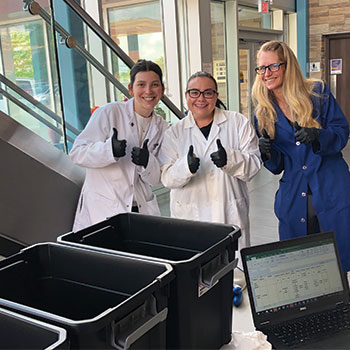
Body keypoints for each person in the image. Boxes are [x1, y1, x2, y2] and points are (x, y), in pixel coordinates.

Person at [252, 41, 350, 272]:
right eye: (262, 68)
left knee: (338, 258)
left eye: (273, 66)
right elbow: (276, 166)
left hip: (330, 186)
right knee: (299, 264)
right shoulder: (263, 113)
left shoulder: (318, 93)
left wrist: (318, 136)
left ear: (288, 66)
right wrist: (266, 150)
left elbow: (342, 132)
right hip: (295, 193)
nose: (267, 74)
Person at [159, 71, 261, 258]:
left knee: (233, 277)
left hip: (229, 214)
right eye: (194, 92)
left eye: (208, 93)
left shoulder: (238, 123)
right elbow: (166, 177)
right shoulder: (174, 133)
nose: (201, 98)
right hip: (191, 219)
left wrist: (230, 160)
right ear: (186, 96)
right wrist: (185, 167)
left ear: (216, 96)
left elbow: (254, 166)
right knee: (195, 277)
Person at [70, 59, 168, 231]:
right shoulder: (109, 113)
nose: (148, 91)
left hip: (140, 207)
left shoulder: (162, 127)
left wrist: (147, 162)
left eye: (154, 85)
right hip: (103, 209)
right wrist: (108, 150)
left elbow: (155, 179)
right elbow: (77, 153)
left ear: (162, 90)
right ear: (131, 89)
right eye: (141, 84)